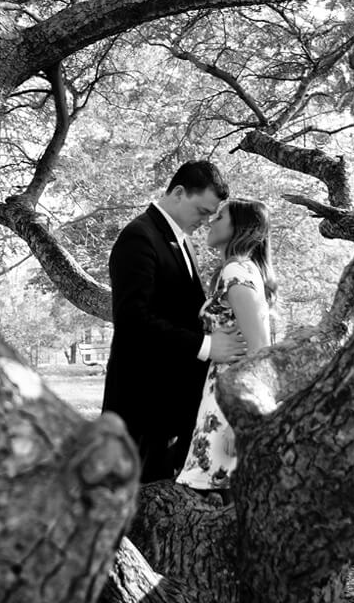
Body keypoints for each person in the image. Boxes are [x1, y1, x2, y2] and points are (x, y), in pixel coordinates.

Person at [102, 160, 248, 483]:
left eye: (212, 215)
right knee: (129, 500)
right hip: (141, 404)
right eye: (202, 211)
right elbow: (132, 320)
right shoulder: (139, 237)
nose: (206, 221)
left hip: (169, 406)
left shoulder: (181, 241)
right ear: (179, 193)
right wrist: (206, 346)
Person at [177, 198, 276, 491]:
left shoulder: (237, 272)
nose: (211, 221)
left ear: (239, 229)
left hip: (231, 404)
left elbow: (259, 347)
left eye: (220, 217)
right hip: (223, 396)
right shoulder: (239, 270)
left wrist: (241, 421)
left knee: (219, 493)